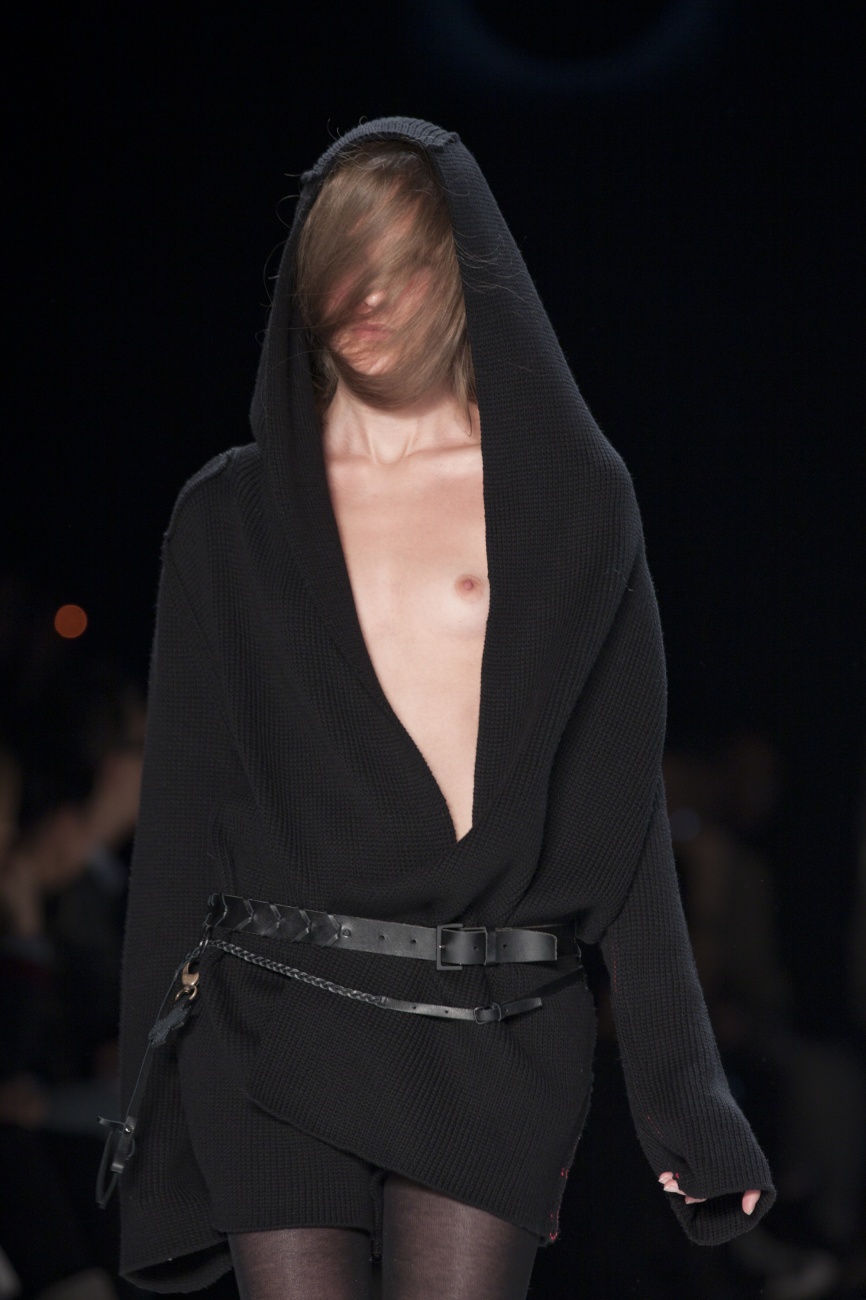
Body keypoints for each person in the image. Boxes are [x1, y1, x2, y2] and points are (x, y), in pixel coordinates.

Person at [113, 118, 774, 1299]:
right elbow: (180, 820)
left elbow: (621, 814)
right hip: (275, 1009)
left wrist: (687, 1100)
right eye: (338, 262)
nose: (363, 295)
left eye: (402, 264)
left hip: (495, 1025)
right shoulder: (227, 519)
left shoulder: (570, 502)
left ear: (465, 269)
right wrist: (145, 1124)